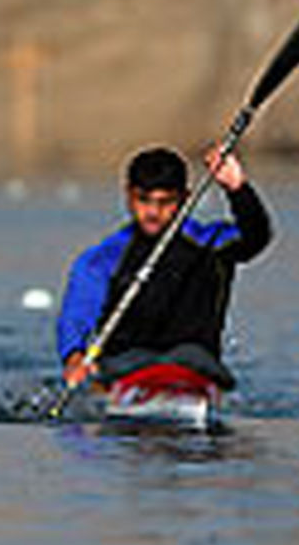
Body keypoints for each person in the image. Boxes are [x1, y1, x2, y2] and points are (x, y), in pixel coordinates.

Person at [56, 146, 272, 391]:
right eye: (143, 200)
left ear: (185, 199)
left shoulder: (212, 245)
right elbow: (75, 317)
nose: (153, 212)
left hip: (194, 366)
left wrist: (237, 188)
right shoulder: (103, 259)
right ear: (128, 194)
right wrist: (75, 359)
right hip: (125, 368)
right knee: (121, 363)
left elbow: (257, 237)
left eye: (165, 202)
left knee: (190, 355)